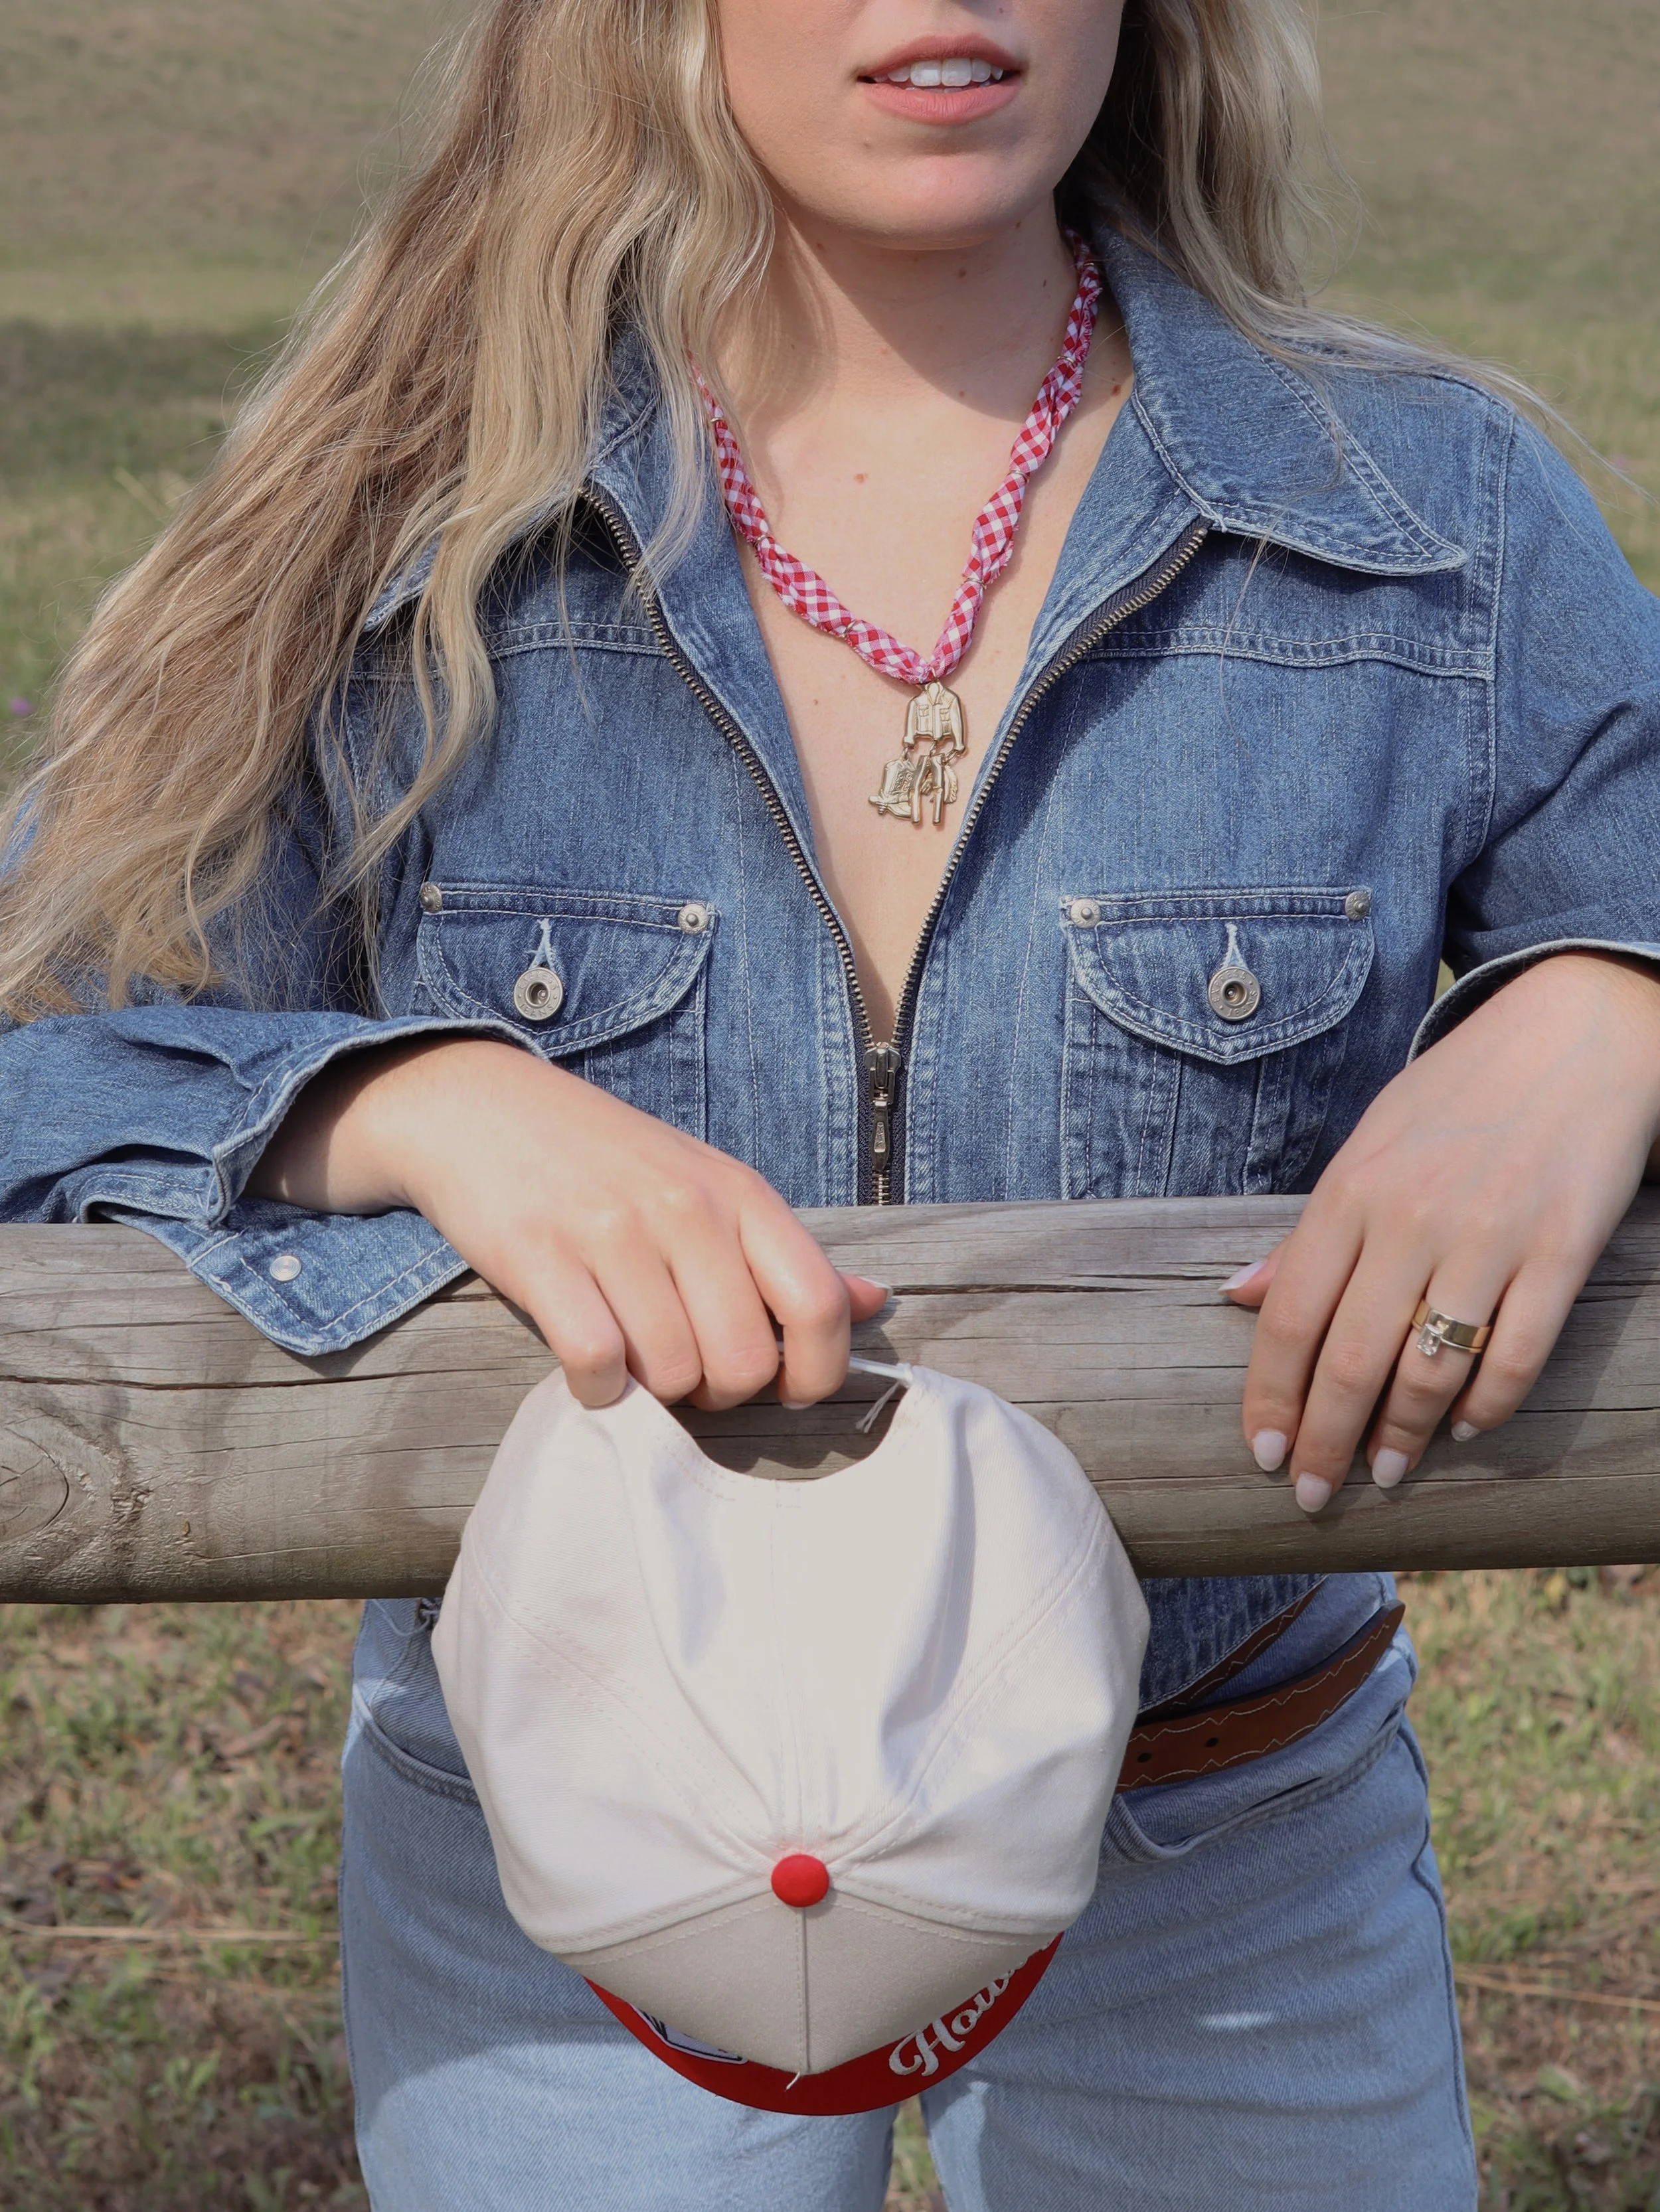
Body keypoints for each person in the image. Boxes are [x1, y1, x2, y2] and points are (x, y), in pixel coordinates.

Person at [3, 1, 1658, 2204]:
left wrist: (1605, 997)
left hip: (1217, 1828)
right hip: (568, 1846)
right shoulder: (387, 518)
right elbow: (52, 1025)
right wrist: (401, 1097)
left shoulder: (1426, 512)